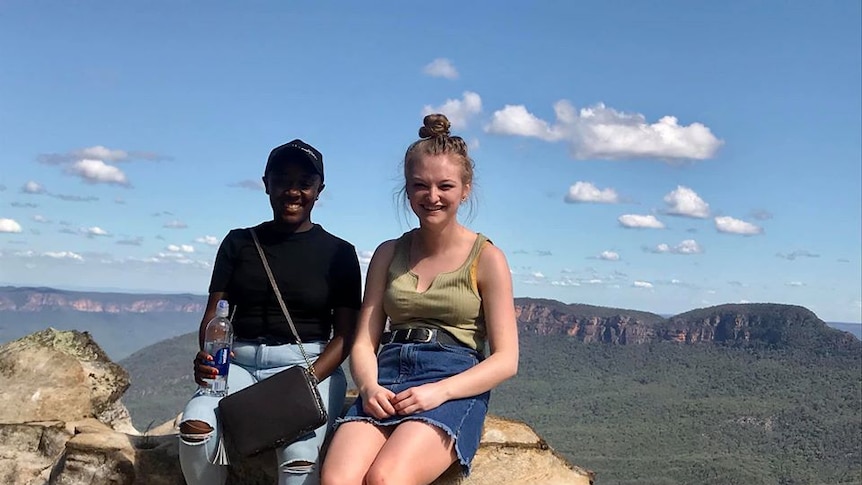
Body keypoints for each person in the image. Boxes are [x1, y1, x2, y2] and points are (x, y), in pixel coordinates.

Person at [320, 114, 519, 485]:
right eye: (420, 186)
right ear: (407, 190)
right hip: (389, 371)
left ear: (465, 189)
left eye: (445, 185)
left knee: (385, 478)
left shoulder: (487, 258)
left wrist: (438, 392)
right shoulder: (388, 253)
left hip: (452, 376)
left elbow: (506, 360)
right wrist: (367, 386)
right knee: (336, 480)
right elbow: (366, 338)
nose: (432, 197)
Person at [178, 139, 361, 485]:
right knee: (196, 426)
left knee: (299, 454)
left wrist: (307, 381)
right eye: (282, 180)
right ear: (266, 184)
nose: (292, 191)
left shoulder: (339, 253)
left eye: (304, 182)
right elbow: (214, 315)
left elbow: (346, 335)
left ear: (319, 189)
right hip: (239, 364)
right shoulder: (239, 243)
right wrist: (208, 355)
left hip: (308, 366)